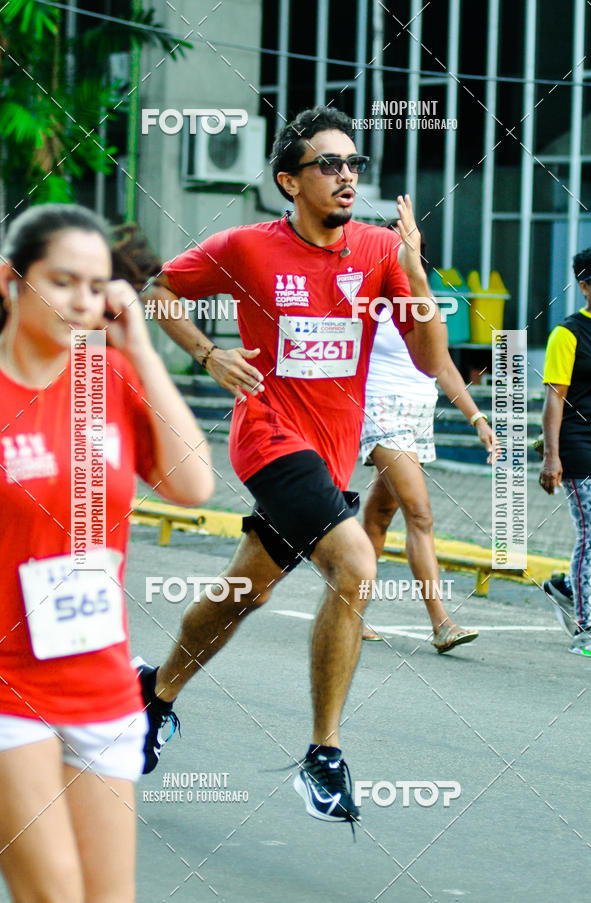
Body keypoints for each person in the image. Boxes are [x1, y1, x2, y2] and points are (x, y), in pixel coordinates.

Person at [138, 105, 448, 829]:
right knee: (357, 562)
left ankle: (155, 695)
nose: (347, 177)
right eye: (328, 165)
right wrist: (210, 354)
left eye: (353, 165)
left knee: (242, 592)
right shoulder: (246, 247)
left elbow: (432, 360)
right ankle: (324, 753)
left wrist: (413, 266)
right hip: (269, 438)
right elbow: (158, 292)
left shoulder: (377, 251)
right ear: (290, 180)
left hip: (330, 454)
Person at [0, 203, 213, 902]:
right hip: (8, 686)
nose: (82, 302)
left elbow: (193, 484)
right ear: (11, 281)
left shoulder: (111, 379)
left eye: (97, 286)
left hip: (101, 683)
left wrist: (143, 352)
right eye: (62, 281)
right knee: (54, 894)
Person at [360, 306, 497, 649]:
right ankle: (442, 623)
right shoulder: (367, 296)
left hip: (420, 415)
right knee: (419, 514)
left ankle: (348, 607)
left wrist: (478, 419)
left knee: (379, 516)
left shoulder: (430, 305)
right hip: (382, 410)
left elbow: (444, 366)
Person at [539, 244, 591, 655]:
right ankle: (587, 629)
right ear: (584, 286)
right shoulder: (568, 333)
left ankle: (564, 586)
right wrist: (551, 455)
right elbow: (554, 398)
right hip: (579, 446)